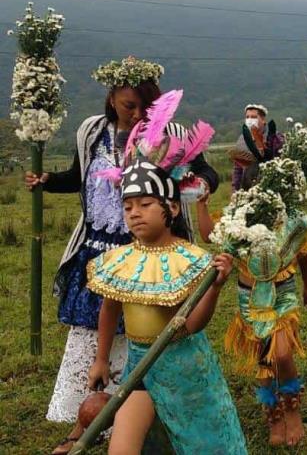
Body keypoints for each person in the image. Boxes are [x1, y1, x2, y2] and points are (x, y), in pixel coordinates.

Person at [24, 57, 218, 455]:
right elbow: (80, 176)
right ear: (111, 98)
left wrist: (200, 184)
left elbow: (204, 171)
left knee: (144, 333)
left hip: (148, 251)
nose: (136, 114)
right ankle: (87, 423)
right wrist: (47, 181)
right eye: (128, 105)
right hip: (98, 250)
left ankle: (142, 415)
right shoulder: (92, 132)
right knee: (94, 334)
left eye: (144, 107)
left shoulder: (172, 132)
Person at [86, 100, 246, 453]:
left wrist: (216, 288)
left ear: (171, 208)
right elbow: (110, 310)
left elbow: (192, 325)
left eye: (144, 205)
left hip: (185, 367)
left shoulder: (191, 260)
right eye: (128, 207)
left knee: (200, 442)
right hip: (139, 367)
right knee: (123, 448)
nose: (135, 214)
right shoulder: (118, 261)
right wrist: (100, 358)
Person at [198, 202, 307, 447]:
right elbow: (209, 235)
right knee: (264, 361)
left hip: (282, 296)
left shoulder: (291, 219)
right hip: (250, 299)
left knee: (283, 355)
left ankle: (292, 409)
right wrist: (201, 205)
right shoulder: (238, 220)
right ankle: (274, 417)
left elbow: (304, 251)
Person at [229, 104, 282, 191]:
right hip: (247, 188)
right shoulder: (242, 140)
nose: (250, 120)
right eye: (247, 117)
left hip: (272, 188)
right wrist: (235, 190)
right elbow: (238, 169)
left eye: (253, 117)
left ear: (263, 120)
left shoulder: (275, 137)